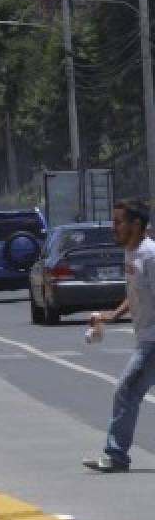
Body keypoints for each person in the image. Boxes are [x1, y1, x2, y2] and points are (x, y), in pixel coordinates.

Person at [85, 199, 155, 473]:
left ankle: (116, 456)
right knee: (129, 392)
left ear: (136, 225)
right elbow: (138, 293)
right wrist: (112, 315)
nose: (114, 229)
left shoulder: (149, 256)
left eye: (119, 223)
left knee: (126, 390)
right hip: (146, 337)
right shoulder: (131, 252)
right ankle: (116, 455)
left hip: (152, 340)